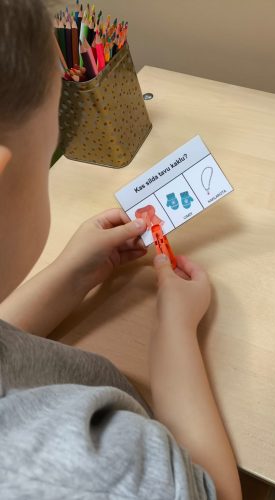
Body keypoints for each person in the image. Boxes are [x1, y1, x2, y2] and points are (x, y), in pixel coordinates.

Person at [0, 1, 241, 499]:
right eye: (49, 151)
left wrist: (71, 273)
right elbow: (212, 490)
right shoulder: (84, 475)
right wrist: (175, 330)